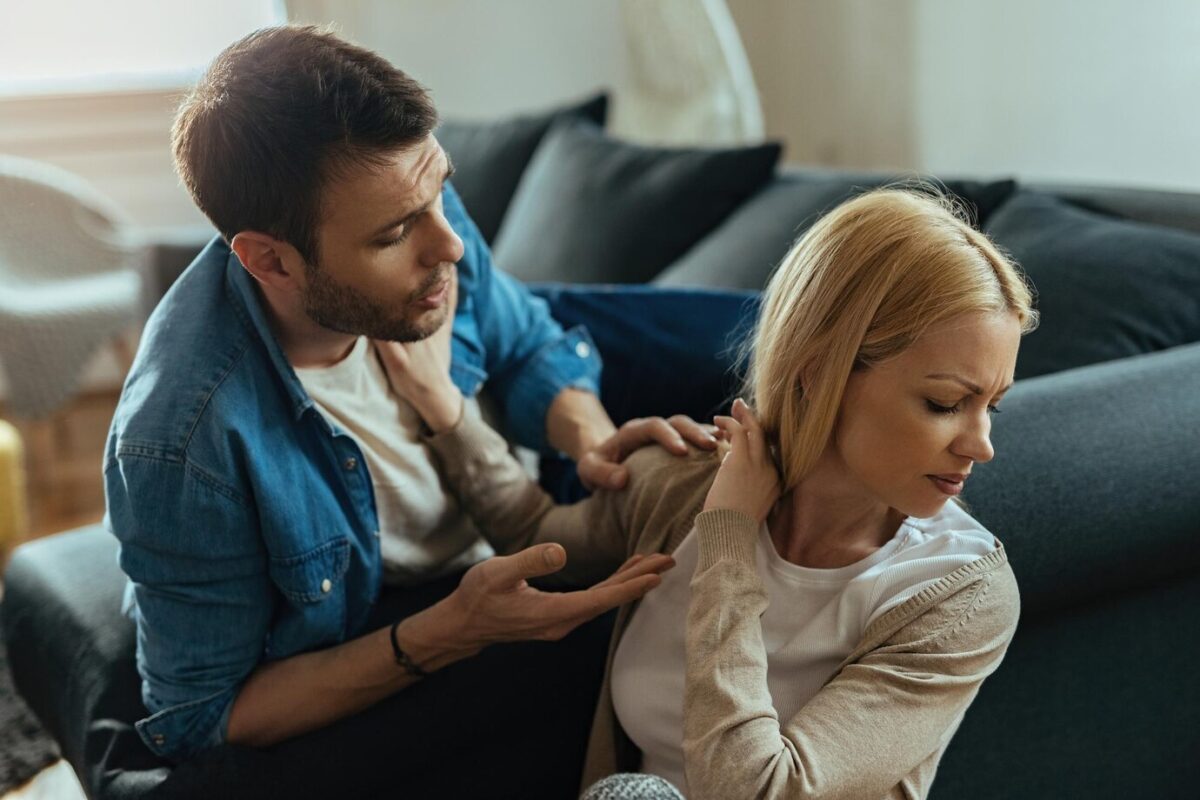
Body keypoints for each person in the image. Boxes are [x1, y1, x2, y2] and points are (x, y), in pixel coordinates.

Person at [104, 25, 714, 794]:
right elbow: (203, 713)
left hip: (515, 488)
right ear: (269, 260)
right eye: (396, 233)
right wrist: (451, 631)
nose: (450, 246)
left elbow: (525, 342)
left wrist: (592, 444)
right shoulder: (183, 443)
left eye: (440, 195)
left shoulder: (420, 206)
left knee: (788, 333)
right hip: (423, 612)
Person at [382, 187, 1039, 799]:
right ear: (819, 376)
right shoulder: (692, 480)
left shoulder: (957, 594)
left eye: (991, 407)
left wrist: (730, 543)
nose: (980, 444)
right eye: (947, 403)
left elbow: (757, 790)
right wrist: (446, 411)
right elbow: (539, 538)